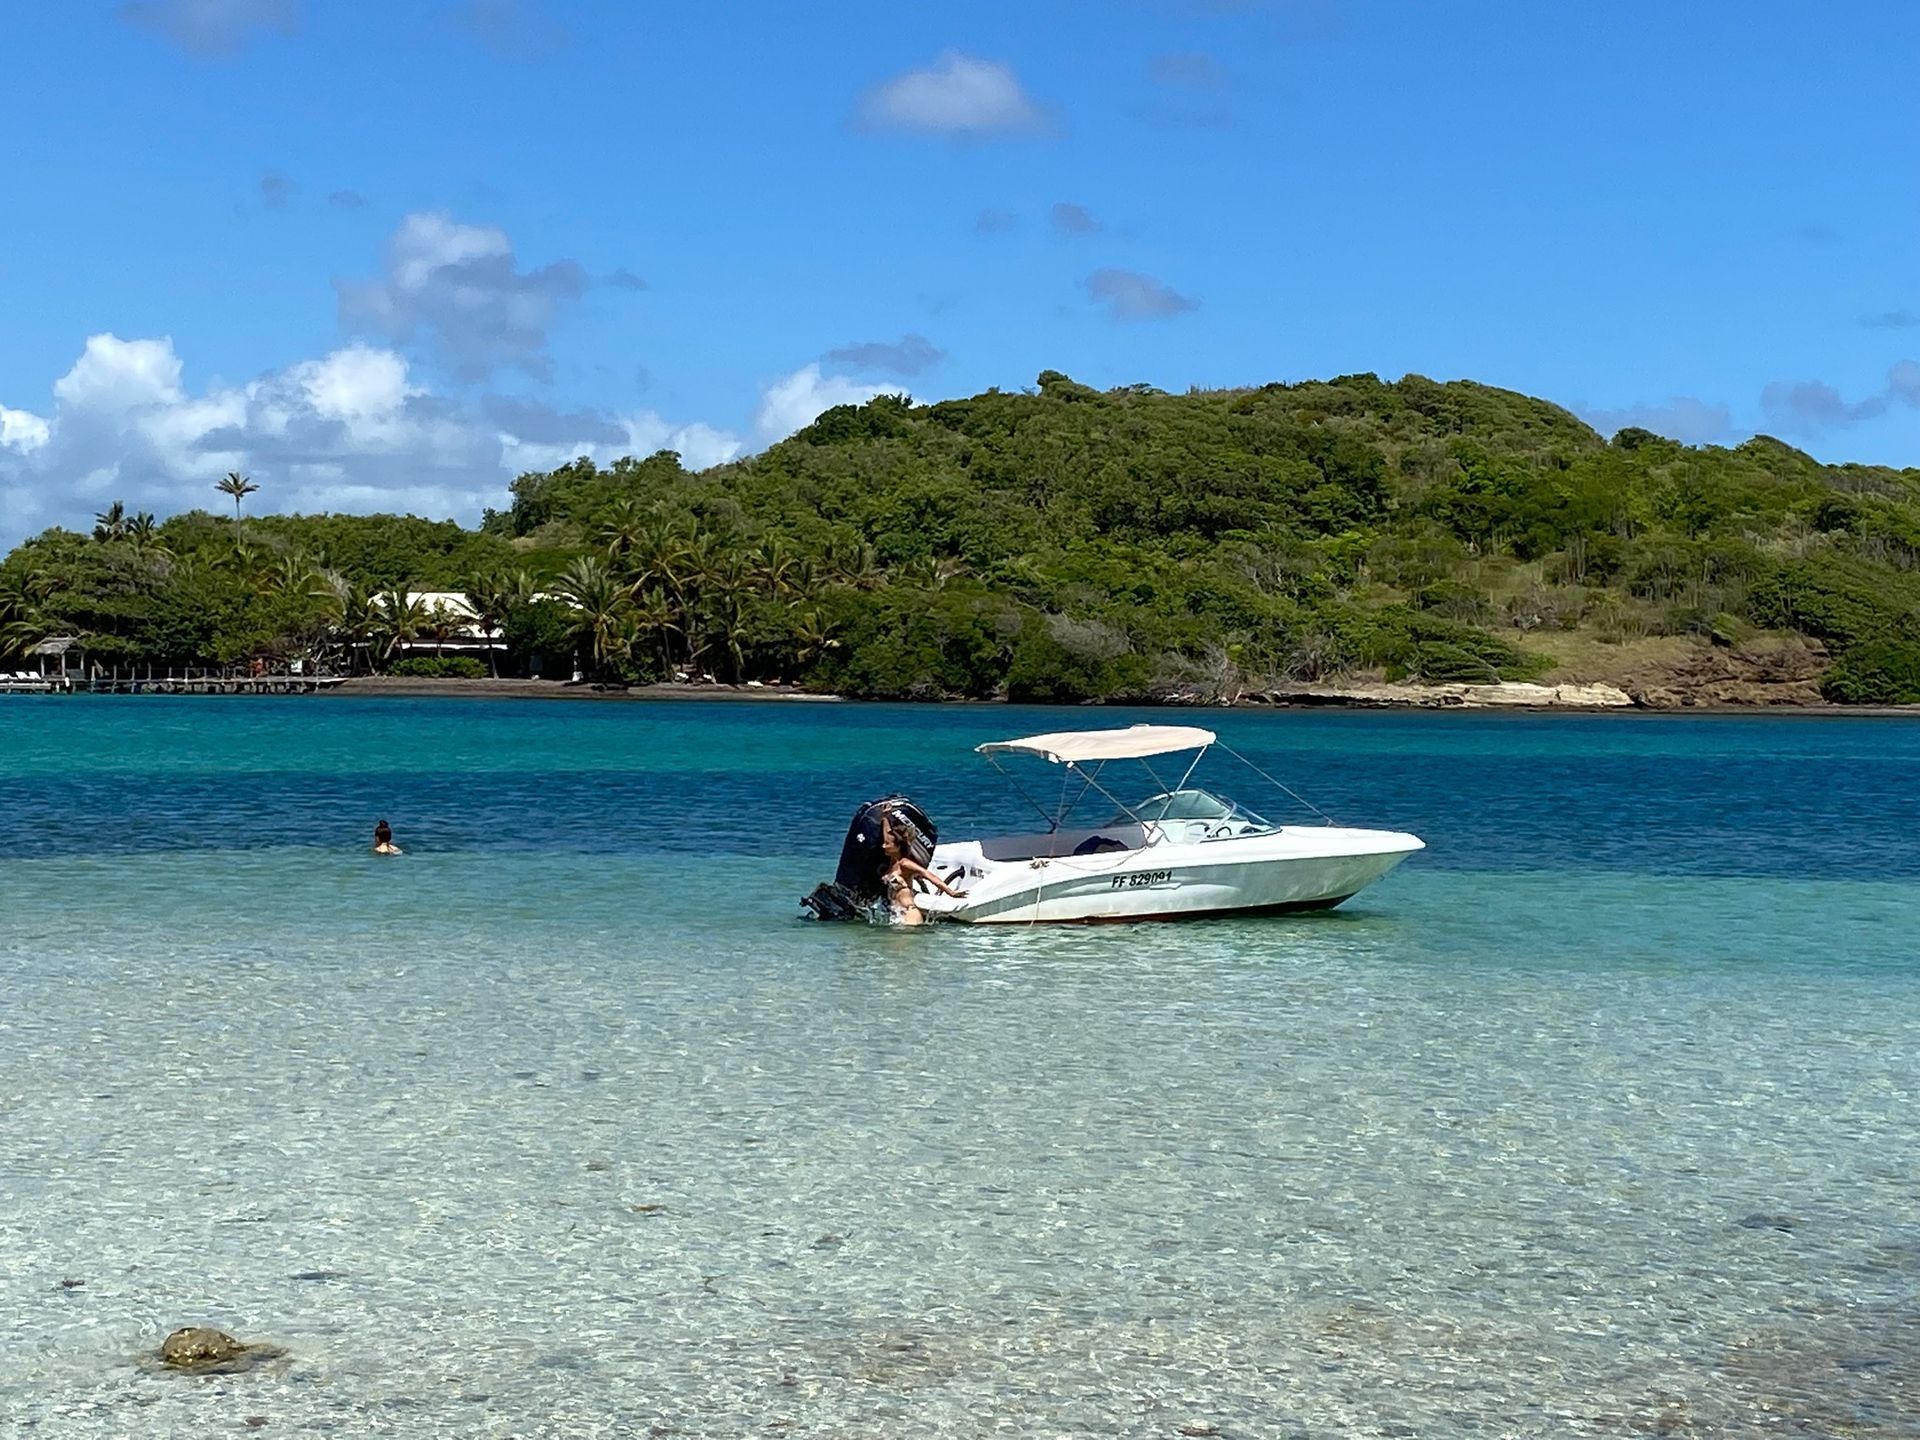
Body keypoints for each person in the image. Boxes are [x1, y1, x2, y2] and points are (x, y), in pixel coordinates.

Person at [879, 811, 963, 925]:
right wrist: (885, 817)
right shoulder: (892, 863)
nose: (883, 846)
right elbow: (887, 835)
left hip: (910, 915)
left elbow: (927, 874)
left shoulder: (905, 864)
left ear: (898, 847)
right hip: (898, 915)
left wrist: (950, 892)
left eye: (887, 844)